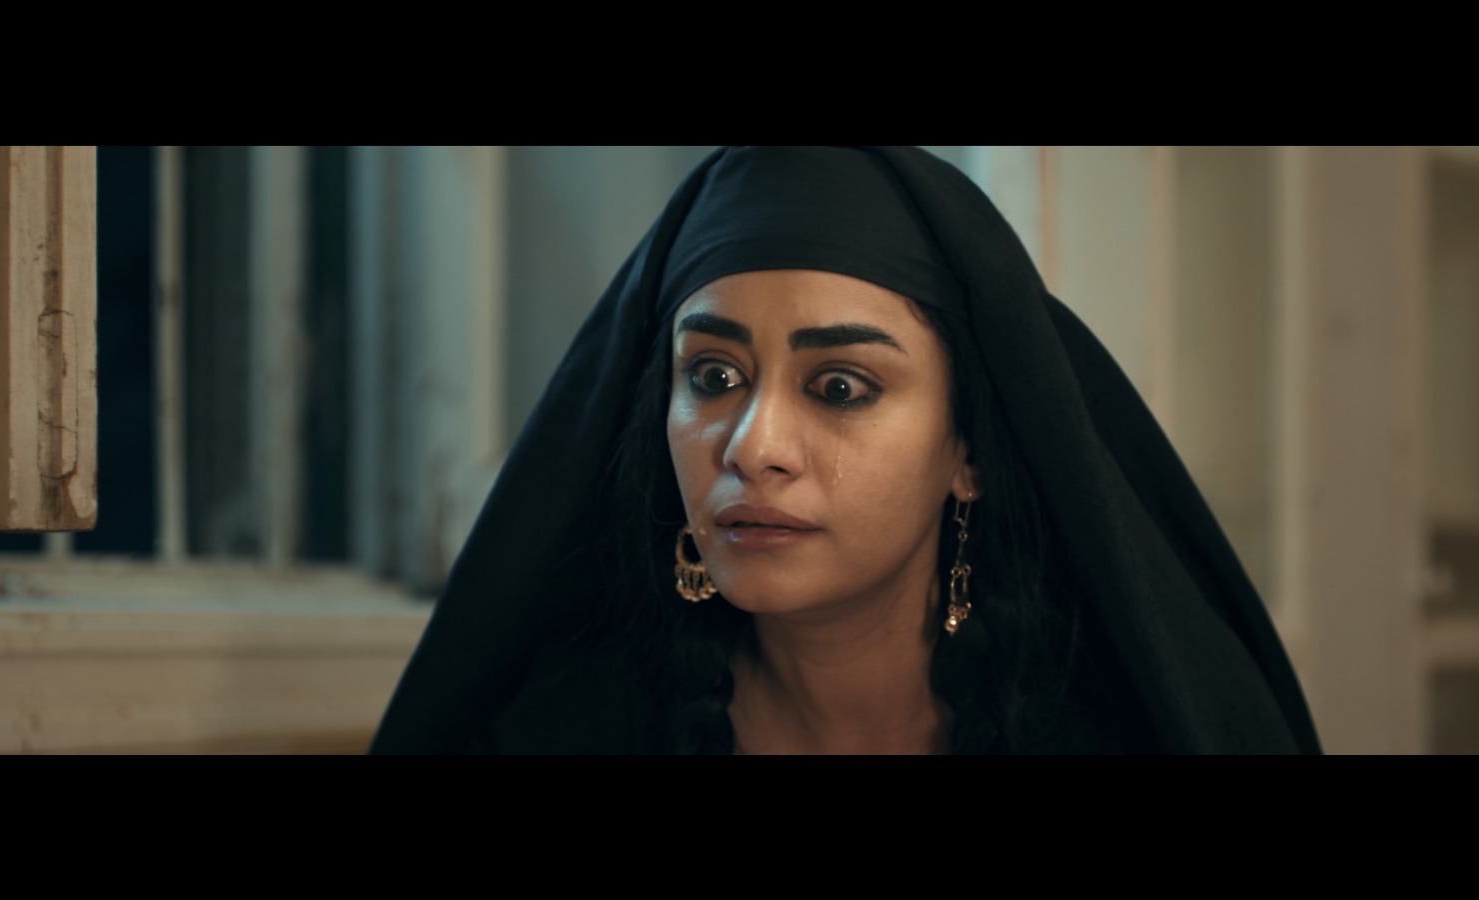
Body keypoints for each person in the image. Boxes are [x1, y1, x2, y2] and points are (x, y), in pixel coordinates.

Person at [370, 146, 1321, 754]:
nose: (754, 447)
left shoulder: (1104, 737)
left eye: (840, 388)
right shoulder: (563, 734)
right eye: (712, 375)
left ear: (968, 451)